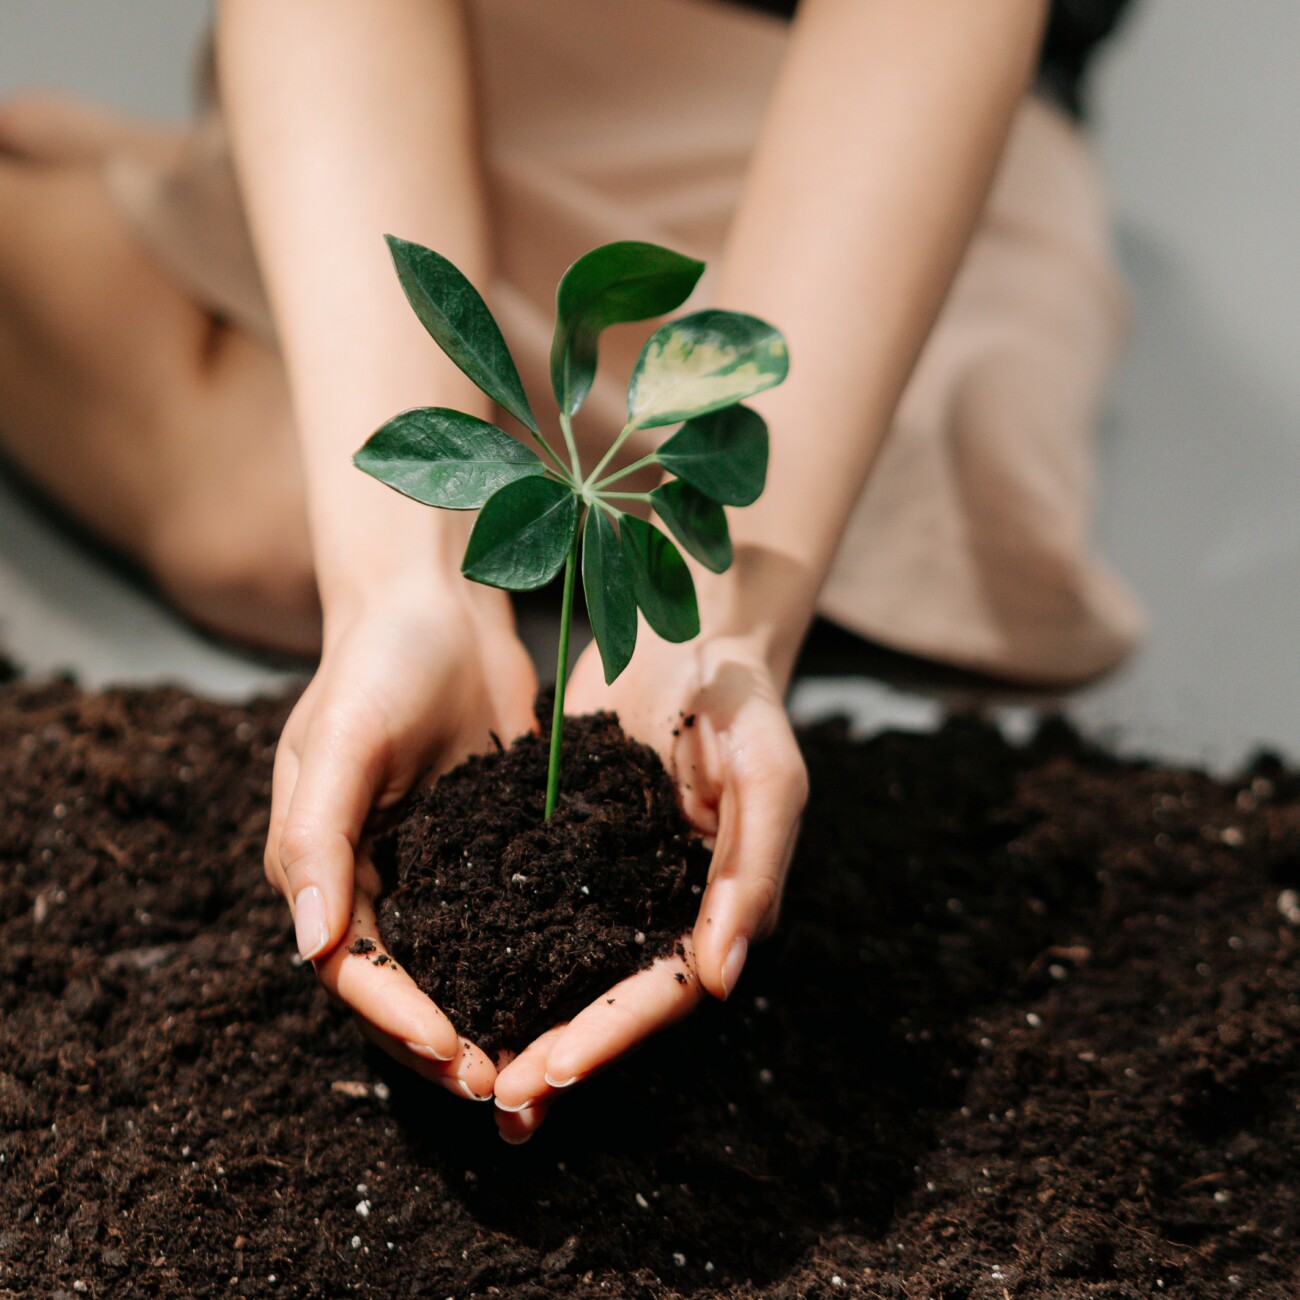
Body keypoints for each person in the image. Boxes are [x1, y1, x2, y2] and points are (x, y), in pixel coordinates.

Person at [0, 0, 1139, 1143]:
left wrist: (723, 637)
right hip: (466, 35)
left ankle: (177, 200)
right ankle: (170, 193)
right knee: (268, 525)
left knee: (959, 512)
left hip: (880, 85)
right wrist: (412, 586)